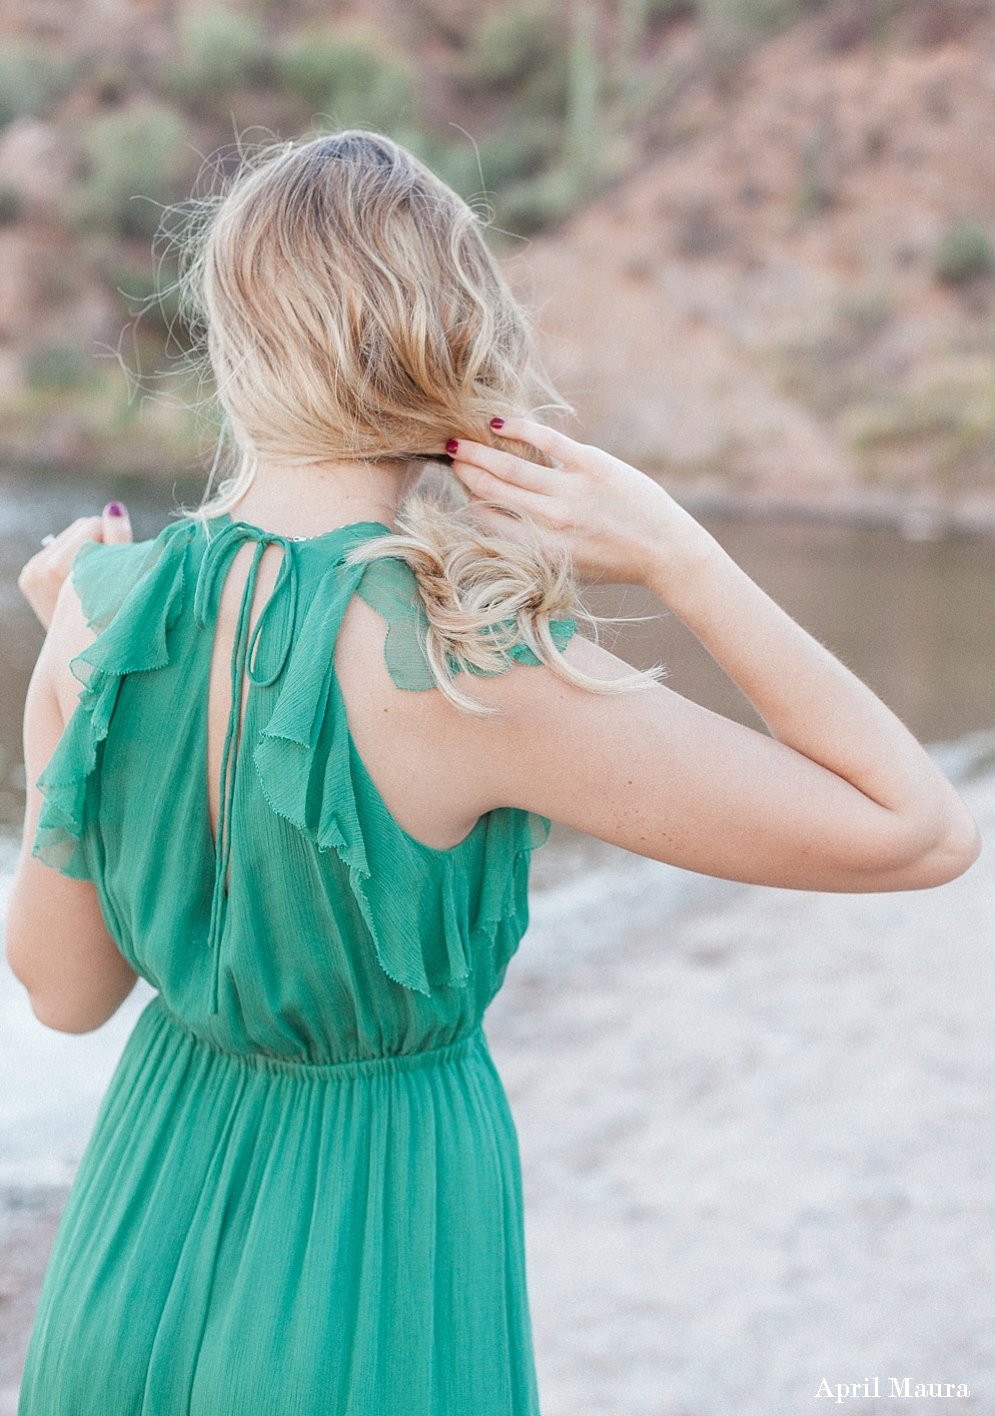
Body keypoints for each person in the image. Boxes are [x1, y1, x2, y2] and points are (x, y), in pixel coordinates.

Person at [6, 132, 979, 1416]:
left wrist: (52, 697)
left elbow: (67, 998)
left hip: (122, 1261)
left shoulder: (99, 610)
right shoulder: (471, 665)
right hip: (368, 1276)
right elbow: (913, 827)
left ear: (230, 335)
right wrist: (685, 558)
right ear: (445, 336)